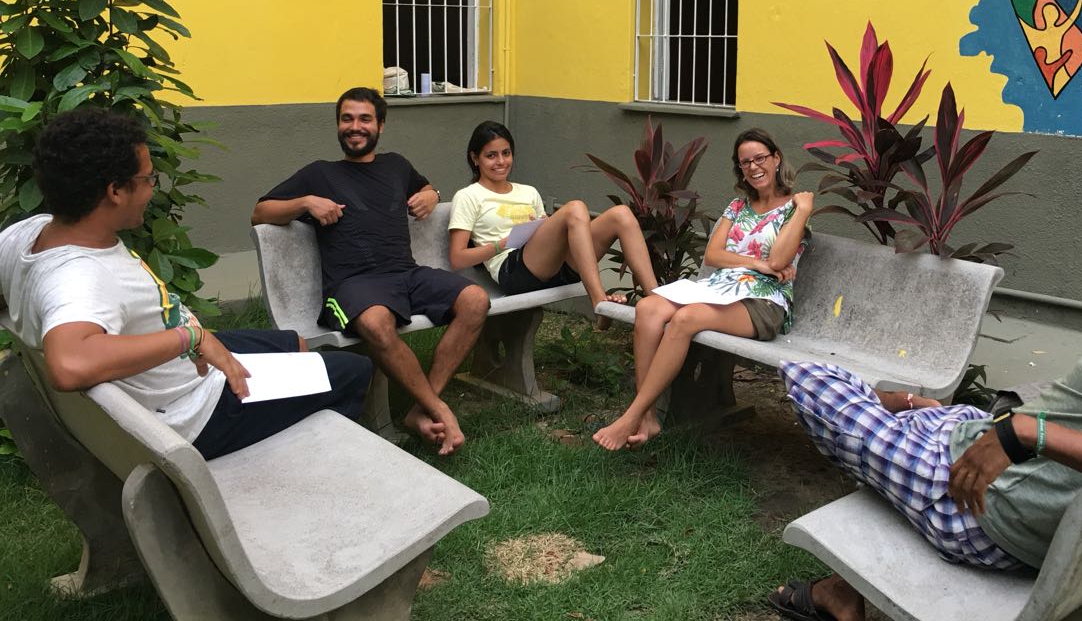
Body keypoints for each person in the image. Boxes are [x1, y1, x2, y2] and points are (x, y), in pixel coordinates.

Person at [769, 171, 1082, 621]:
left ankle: (897, 421)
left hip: (980, 507)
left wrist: (1025, 433)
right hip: (1009, 469)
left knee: (808, 376)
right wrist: (1014, 432)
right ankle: (846, 573)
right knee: (935, 415)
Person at [0, 108, 372, 461]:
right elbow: (69, 364)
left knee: (295, 344)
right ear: (115, 191)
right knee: (354, 371)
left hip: (179, 367)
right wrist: (189, 338)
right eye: (148, 179)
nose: (151, 189)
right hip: (196, 411)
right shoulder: (78, 277)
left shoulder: (29, 233)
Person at [251, 87, 488, 455]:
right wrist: (306, 202)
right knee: (377, 323)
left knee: (475, 300)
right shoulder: (320, 173)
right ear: (338, 125)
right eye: (347, 119)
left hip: (406, 274)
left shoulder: (396, 165)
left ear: (380, 125)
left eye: (364, 119)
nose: (355, 126)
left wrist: (433, 194)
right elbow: (260, 212)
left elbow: (425, 188)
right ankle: (439, 409)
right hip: (351, 285)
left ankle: (419, 409)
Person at [594, 128, 813, 450]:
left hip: (763, 302)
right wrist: (757, 263)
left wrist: (804, 209)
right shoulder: (738, 206)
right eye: (745, 162)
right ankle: (649, 417)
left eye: (760, 158)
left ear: (776, 158)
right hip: (719, 290)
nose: (753, 167)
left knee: (686, 319)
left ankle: (632, 415)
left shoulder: (795, 209)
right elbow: (713, 255)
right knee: (648, 307)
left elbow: (780, 259)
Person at [448, 121, 659, 321]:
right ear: (475, 158)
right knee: (575, 208)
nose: (501, 162)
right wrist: (501, 244)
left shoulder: (528, 192)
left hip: (554, 266)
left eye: (506, 153)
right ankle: (599, 302)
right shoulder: (468, 196)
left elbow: (548, 234)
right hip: (513, 271)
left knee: (621, 214)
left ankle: (657, 299)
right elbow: (457, 258)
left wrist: (541, 226)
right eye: (491, 155)